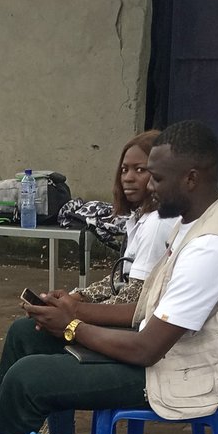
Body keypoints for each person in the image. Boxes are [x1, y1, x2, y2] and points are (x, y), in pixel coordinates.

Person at [0, 120, 218, 434]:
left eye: (156, 178)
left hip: (173, 373)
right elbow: (145, 310)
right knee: (24, 333)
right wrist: (74, 309)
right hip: (160, 352)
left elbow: (146, 349)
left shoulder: (211, 246)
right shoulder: (192, 221)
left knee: (28, 379)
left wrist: (71, 326)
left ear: (191, 178)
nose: (149, 187)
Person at [69, 129, 176, 307]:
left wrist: (75, 311)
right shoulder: (141, 218)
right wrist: (78, 297)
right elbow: (122, 277)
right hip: (126, 316)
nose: (128, 178)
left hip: (137, 326)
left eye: (140, 170)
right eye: (124, 170)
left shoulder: (158, 223)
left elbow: (136, 297)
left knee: (26, 329)